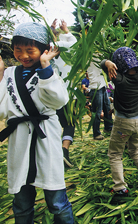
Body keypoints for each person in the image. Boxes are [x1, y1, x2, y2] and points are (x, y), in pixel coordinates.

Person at [0, 22, 74, 223]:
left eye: (30, 50)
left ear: (43, 50)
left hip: (45, 136)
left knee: (56, 201)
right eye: (18, 50)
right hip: (20, 138)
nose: (23, 56)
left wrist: (46, 66)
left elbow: (58, 101)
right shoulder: (9, 73)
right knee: (21, 202)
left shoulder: (52, 71)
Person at [101, 47, 138, 197]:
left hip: (123, 123)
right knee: (136, 150)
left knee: (115, 153)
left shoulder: (118, 79)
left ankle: (120, 187)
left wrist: (108, 63)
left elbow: (102, 64)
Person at [51, 19, 77, 168]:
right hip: (66, 93)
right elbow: (76, 43)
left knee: (51, 123)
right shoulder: (64, 46)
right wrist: (66, 31)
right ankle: (64, 150)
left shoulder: (42, 48)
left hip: (47, 95)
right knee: (68, 124)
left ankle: (51, 152)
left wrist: (52, 29)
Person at [87, 61, 112, 140]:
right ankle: (96, 133)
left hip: (103, 85)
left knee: (107, 108)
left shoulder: (100, 53)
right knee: (97, 112)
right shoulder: (89, 56)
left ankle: (109, 128)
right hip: (95, 87)